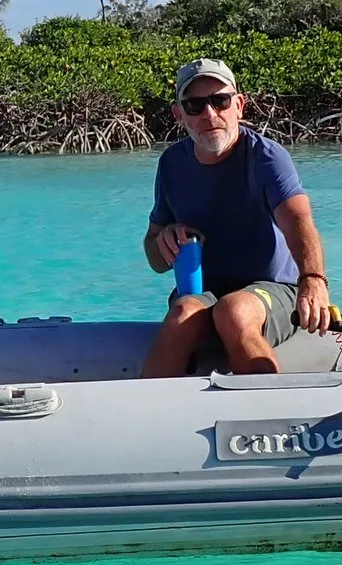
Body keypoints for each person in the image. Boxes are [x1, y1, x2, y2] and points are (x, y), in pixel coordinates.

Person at [140, 57, 332, 376]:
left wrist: (313, 280)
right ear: (179, 115)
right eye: (195, 105)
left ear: (239, 106)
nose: (209, 114)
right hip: (204, 294)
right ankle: (148, 406)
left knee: (235, 311)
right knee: (181, 316)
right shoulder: (172, 164)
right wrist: (165, 240)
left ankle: (271, 405)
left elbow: (299, 221)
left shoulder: (267, 158)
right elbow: (155, 259)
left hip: (273, 289)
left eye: (220, 101)